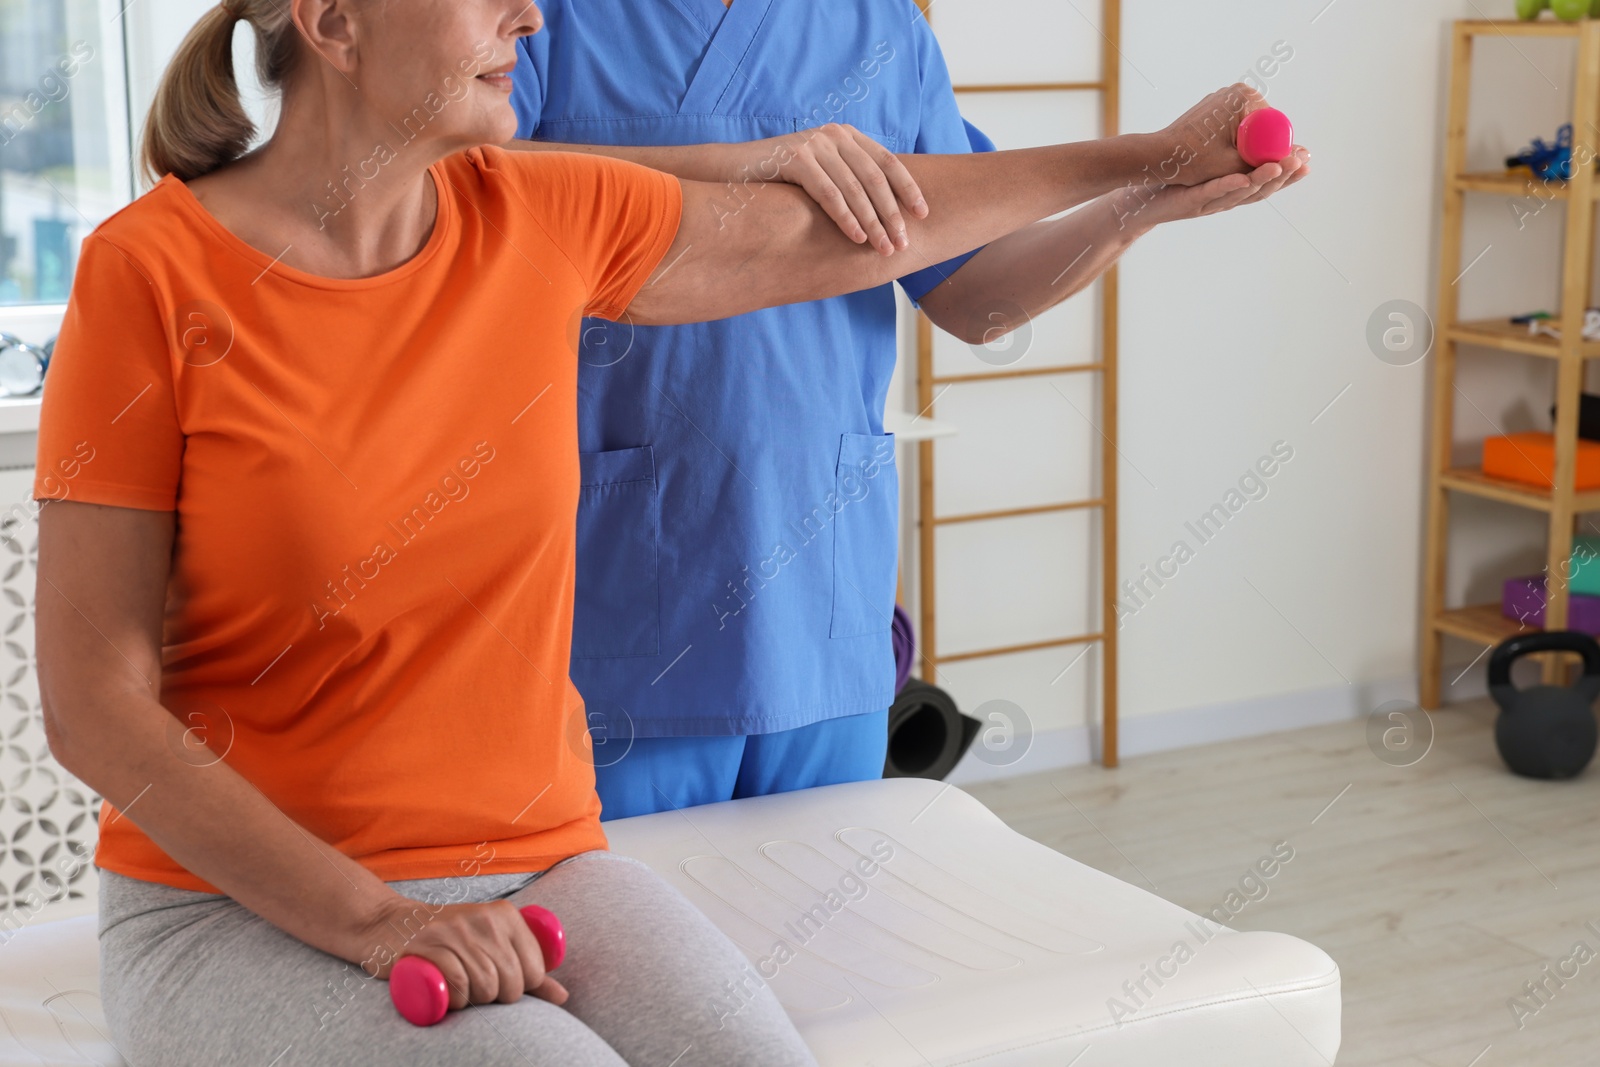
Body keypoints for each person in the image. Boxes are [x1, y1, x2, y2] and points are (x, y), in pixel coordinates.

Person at [34, 0, 1302, 1063]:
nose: (527, 16)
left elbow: (885, 223)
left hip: (534, 859)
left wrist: (1141, 163)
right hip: (237, 902)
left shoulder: (539, 219)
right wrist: (372, 919)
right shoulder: (147, 275)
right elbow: (93, 705)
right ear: (333, 23)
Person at [505, 0, 1311, 820]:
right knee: (639, 932)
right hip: (624, 589)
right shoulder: (544, 17)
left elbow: (972, 297)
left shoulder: (880, 30)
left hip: (821, 590)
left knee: (825, 921)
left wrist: (1139, 206)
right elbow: (476, 183)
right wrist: (743, 164)